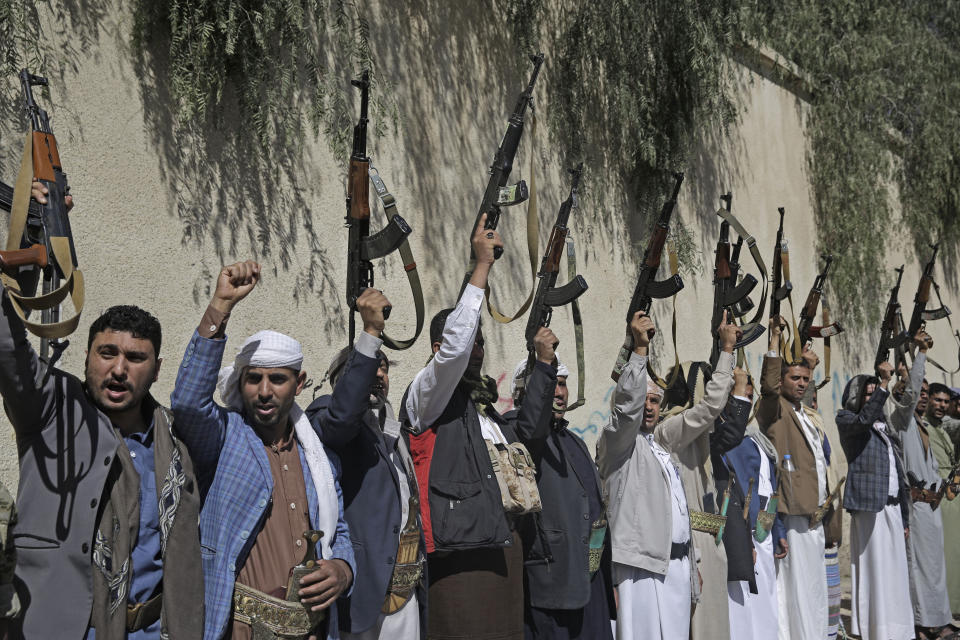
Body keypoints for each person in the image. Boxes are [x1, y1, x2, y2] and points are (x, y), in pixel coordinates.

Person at [0, 195, 204, 638]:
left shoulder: (173, 442)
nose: (118, 368)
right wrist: (37, 242)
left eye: (134, 358)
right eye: (106, 353)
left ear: (155, 369)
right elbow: (9, 348)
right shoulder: (51, 409)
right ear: (88, 356)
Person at [170, 260, 355, 640]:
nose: (265, 391)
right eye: (253, 379)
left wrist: (343, 568)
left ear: (299, 383)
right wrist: (221, 306)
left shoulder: (317, 456)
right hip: (243, 630)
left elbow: (341, 530)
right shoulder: (224, 438)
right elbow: (188, 403)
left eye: (277, 379)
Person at [403, 217, 552, 640]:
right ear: (439, 348)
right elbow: (454, 352)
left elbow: (531, 428)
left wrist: (543, 365)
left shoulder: (484, 412)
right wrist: (481, 268)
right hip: (461, 559)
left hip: (502, 548)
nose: (476, 349)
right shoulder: (426, 398)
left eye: (481, 343)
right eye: (470, 341)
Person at [597, 310, 739, 640]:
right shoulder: (618, 445)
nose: (648, 407)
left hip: (675, 567)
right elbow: (626, 408)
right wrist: (639, 349)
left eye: (654, 401)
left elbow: (679, 514)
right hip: (641, 571)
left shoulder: (662, 445)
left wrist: (690, 566)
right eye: (642, 400)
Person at [305, 289, 427, 640]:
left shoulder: (391, 427)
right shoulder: (329, 416)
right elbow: (343, 416)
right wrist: (371, 334)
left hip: (404, 584)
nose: (378, 375)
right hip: (364, 586)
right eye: (370, 367)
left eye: (383, 369)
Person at [507, 344, 615, 640]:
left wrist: (608, 581)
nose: (559, 391)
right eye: (550, 383)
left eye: (563, 384)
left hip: (589, 583)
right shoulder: (517, 434)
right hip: (551, 586)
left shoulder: (573, 440)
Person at [756, 316, 830, 640]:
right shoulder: (775, 411)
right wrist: (774, 341)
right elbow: (769, 387)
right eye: (795, 378)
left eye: (805, 378)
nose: (801, 383)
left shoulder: (805, 413)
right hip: (793, 517)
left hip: (814, 517)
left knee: (813, 591)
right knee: (795, 592)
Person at [883, 336, 954, 638]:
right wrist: (921, 355)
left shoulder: (922, 425)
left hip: (932, 505)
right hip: (916, 505)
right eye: (919, 392)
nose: (923, 396)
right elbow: (909, 395)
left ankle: (938, 619)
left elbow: (933, 467)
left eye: (928, 392)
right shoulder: (901, 421)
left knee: (935, 568)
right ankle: (922, 624)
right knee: (919, 569)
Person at [837, 361, 913, 640]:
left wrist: (904, 518)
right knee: (875, 571)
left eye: (877, 393)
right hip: (871, 508)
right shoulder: (847, 420)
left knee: (894, 574)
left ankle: (897, 630)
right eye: (868, 394)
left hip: (892, 508)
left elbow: (898, 474)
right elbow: (863, 419)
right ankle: (876, 631)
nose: (876, 398)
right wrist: (883, 384)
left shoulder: (884, 427)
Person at [723, 373, 787, 640]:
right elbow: (734, 491)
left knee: (768, 598)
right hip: (746, 532)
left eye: (751, 397)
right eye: (742, 397)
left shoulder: (758, 438)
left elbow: (770, 488)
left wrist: (779, 531)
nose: (748, 401)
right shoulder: (729, 439)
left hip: (765, 530)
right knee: (747, 603)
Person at [926, 382, 960, 617]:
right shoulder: (922, 425)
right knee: (945, 554)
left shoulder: (943, 426)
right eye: (937, 400)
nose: (941, 405)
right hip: (938, 496)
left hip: (952, 495)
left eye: (946, 402)